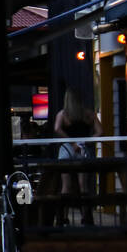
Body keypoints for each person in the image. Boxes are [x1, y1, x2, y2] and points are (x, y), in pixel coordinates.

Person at [54, 87, 101, 226]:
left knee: (66, 186)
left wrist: (70, 141)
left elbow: (57, 128)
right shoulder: (88, 114)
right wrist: (84, 140)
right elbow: (100, 131)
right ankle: (87, 217)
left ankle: (62, 217)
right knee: (83, 185)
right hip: (82, 149)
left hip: (67, 149)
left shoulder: (63, 114)